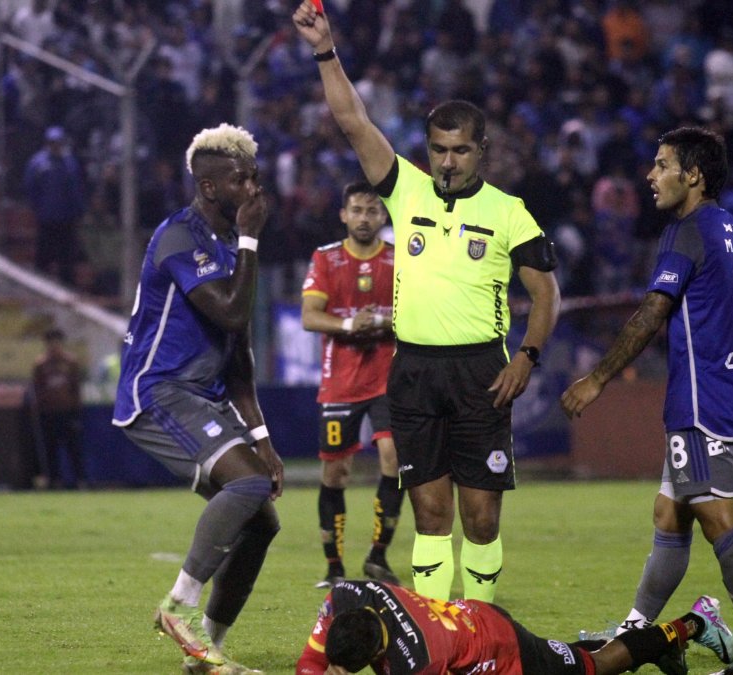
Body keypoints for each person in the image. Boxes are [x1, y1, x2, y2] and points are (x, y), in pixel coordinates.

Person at [292, 1, 561, 603]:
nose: (447, 161)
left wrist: (528, 358)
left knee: (482, 518)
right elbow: (353, 121)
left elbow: (545, 293)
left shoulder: (508, 212)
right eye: (438, 149)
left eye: (460, 151)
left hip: (481, 372)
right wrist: (324, 50)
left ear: (481, 151)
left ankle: (483, 625)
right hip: (412, 370)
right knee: (431, 515)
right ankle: (440, 631)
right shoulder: (404, 189)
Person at [561, 127, 733, 675]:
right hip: (729, 392)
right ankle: (638, 630)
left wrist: (597, 378)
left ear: (693, 175)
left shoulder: (686, 231)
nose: (650, 175)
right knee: (671, 515)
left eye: (661, 164)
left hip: (700, 403)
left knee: (721, 521)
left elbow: (651, 312)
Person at [112, 123, 284, 675]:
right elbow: (233, 313)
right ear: (210, 188)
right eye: (241, 179)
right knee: (250, 486)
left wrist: (262, 439)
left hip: (199, 394)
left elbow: (239, 358)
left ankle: (202, 650)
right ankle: (177, 607)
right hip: (158, 390)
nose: (253, 189)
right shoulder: (179, 237)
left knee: (262, 521)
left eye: (255, 177)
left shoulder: (228, 247)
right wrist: (253, 240)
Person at [295, 579, 733, 675]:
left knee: (593, 667)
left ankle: (694, 622)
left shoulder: (418, 663)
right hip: (469, 617)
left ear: (376, 658)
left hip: (500, 649)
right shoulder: (348, 595)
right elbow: (311, 660)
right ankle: (659, 648)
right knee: (567, 653)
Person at [300, 181, 403, 588]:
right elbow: (310, 315)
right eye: (357, 210)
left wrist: (376, 321)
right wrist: (347, 324)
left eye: (372, 211)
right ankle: (334, 566)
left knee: (393, 459)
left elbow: (415, 312)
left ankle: (378, 556)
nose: (364, 218)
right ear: (344, 214)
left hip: (388, 379)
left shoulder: (399, 261)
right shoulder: (326, 258)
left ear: (383, 216)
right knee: (335, 473)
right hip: (340, 382)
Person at [23, 125, 88, 285]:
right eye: (53, 142)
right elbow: (31, 188)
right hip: (46, 217)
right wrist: (37, 208)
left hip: (66, 218)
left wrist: (79, 210)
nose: (56, 145)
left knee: (67, 257)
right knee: (44, 255)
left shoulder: (69, 163)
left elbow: (76, 188)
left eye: (58, 142)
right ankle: (39, 285)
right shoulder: (38, 163)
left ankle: (68, 286)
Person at [31, 328, 85, 489]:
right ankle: (54, 481)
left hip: (67, 411)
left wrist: (76, 412)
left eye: (57, 342)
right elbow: (38, 389)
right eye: (50, 342)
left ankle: (79, 481)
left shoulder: (70, 362)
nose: (54, 345)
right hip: (48, 412)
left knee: (73, 448)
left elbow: (76, 388)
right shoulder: (41, 364)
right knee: (50, 449)